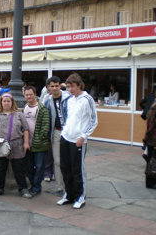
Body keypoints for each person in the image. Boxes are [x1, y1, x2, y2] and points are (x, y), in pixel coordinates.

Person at [57, 73, 98, 209]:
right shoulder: (69, 99)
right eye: (68, 87)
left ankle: (80, 196)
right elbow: (66, 117)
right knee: (65, 168)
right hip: (66, 137)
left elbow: (94, 121)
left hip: (78, 140)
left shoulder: (87, 99)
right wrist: (64, 131)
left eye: (72, 86)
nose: (70, 89)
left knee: (77, 170)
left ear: (79, 85)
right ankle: (68, 195)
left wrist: (83, 136)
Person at [0, 93, 32, 198]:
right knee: (0, 168)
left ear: (12, 102)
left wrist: (26, 143)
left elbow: (25, 129)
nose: (6, 103)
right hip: (1, 145)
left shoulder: (19, 114)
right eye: (4, 101)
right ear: (1, 102)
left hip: (17, 144)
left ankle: (23, 188)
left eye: (9, 101)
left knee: (19, 168)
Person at [43, 76, 71, 197]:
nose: (54, 88)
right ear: (49, 87)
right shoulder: (47, 100)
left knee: (69, 160)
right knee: (57, 161)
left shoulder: (69, 98)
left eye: (57, 85)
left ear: (60, 85)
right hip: (56, 132)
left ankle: (70, 185)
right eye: (52, 86)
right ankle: (60, 187)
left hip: (69, 132)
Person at [23, 86, 50, 196]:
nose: (29, 97)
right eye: (26, 95)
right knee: (28, 166)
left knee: (39, 166)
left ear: (35, 94)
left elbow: (46, 126)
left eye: (30, 94)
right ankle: (34, 185)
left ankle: (36, 187)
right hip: (27, 143)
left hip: (39, 143)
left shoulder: (42, 108)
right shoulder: (25, 107)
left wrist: (40, 137)